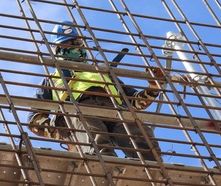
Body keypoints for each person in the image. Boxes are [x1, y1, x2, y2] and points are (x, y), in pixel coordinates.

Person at [29, 21, 165, 161]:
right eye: (71, 43)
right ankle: (107, 171)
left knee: (140, 137)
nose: (77, 46)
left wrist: (153, 87)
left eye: (79, 42)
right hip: (80, 108)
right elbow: (34, 119)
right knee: (97, 142)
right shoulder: (53, 79)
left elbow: (135, 102)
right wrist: (63, 131)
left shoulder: (103, 73)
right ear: (58, 49)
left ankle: (155, 171)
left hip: (115, 109)